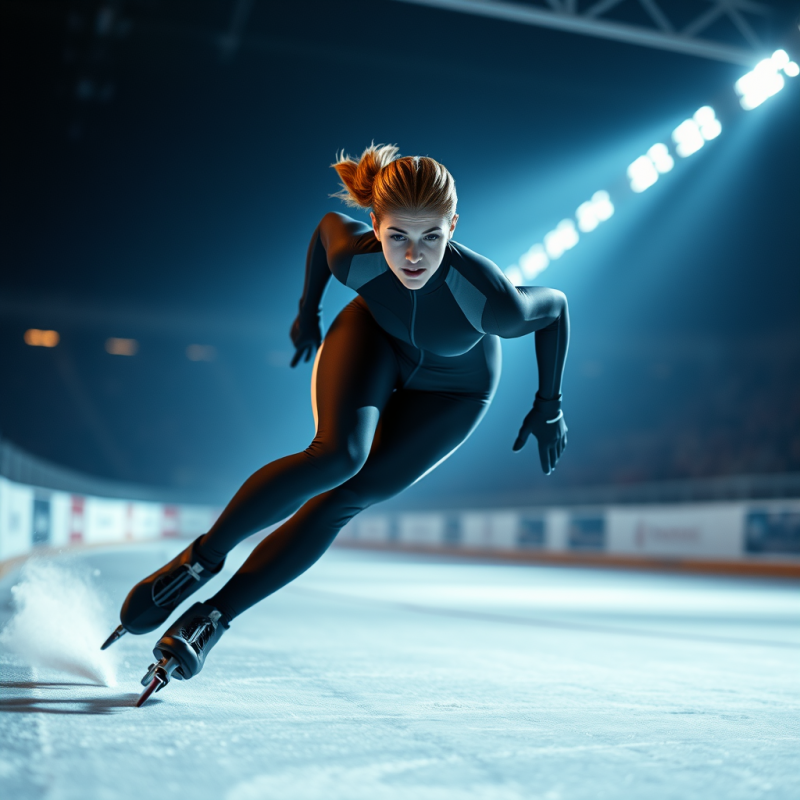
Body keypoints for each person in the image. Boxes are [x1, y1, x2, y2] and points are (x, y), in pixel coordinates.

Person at [102, 143, 570, 701]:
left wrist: (550, 405)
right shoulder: (357, 255)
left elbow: (556, 308)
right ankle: (198, 561)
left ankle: (211, 620)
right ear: (376, 224)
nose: (414, 257)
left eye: (431, 238)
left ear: (453, 226)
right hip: (374, 339)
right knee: (339, 455)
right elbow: (327, 230)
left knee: (342, 498)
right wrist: (309, 312)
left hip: (455, 390)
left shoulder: (494, 303)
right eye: (398, 236)